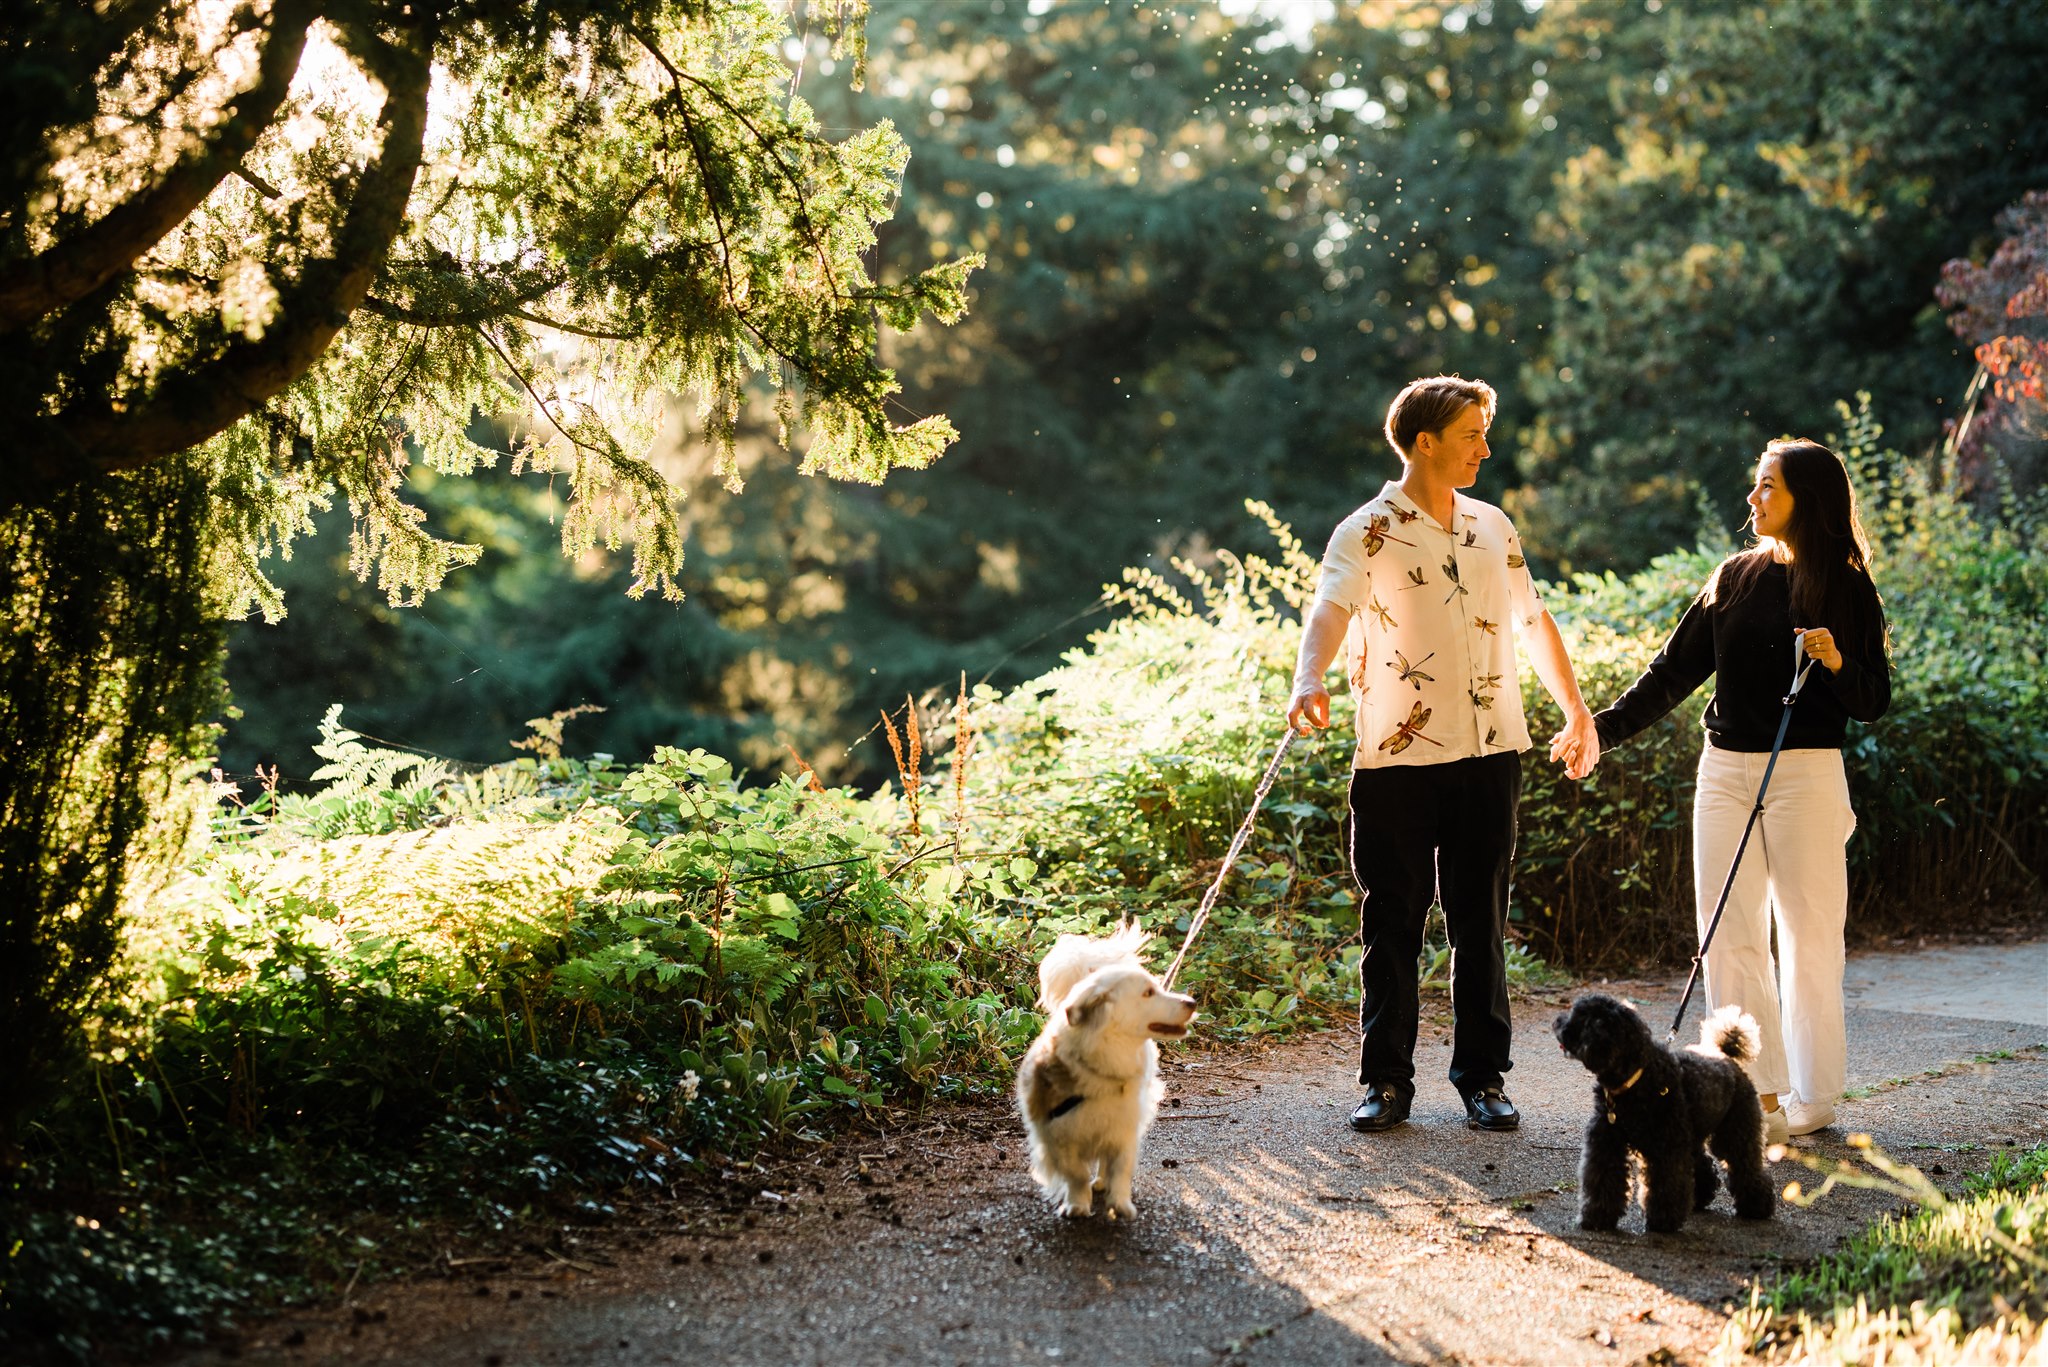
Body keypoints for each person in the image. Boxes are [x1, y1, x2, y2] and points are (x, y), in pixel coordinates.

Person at [1286, 375, 1599, 1134]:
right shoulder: (1365, 529)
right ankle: (1386, 1082)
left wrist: (1576, 707)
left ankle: (1483, 1079)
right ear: (1426, 441)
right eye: (1471, 435)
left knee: (1480, 921)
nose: (1485, 449)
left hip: (1492, 751)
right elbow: (1329, 608)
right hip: (1397, 758)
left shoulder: (1495, 526)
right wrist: (1308, 676)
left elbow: (1533, 619)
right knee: (1392, 920)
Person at [1590, 439, 1890, 1143]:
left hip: (1807, 774)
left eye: (1768, 488)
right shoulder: (1733, 577)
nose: (1753, 500)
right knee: (1728, 936)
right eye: (1755, 486)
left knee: (1810, 938)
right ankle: (1759, 1097)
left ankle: (1815, 1094)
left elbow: (1872, 698)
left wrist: (1837, 659)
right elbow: (1669, 674)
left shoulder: (1848, 587)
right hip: (1724, 771)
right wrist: (1598, 734)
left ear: (1805, 501)